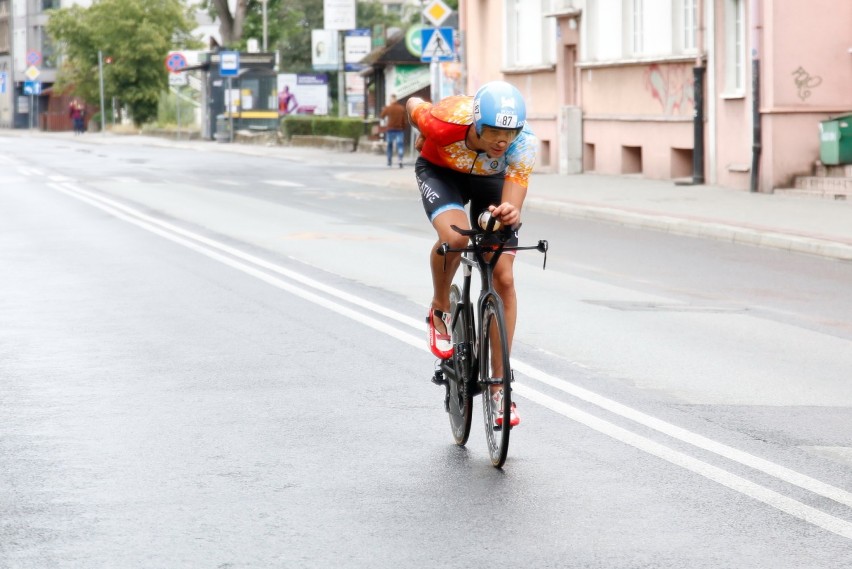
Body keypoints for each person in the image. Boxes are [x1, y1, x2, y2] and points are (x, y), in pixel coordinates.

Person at [406, 81, 537, 428]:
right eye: (494, 131)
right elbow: (413, 103)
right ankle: (439, 309)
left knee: (503, 276)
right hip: (442, 173)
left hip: (488, 183)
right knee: (456, 238)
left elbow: (512, 203)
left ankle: (500, 388)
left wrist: (509, 214)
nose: (502, 141)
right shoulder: (444, 122)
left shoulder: (522, 145)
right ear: (477, 124)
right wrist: (420, 133)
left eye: (510, 133)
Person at [380, 93, 406, 168]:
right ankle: (400, 160)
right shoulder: (401, 108)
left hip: (390, 129)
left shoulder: (388, 108)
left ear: (391, 100)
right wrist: (403, 127)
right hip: (399, 130)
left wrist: (384, 110)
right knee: (400, 145)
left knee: (390, 145)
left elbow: (382, 116)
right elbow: (404, 120)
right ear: (396, 99)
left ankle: (389, 161)